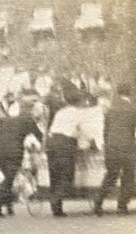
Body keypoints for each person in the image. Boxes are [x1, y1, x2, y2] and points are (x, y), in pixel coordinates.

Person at [0, 99, 43, 217]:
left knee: (8, 178)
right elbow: (39, 136)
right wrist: (40, 148)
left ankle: (9, 207)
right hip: (13, 153)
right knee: (9, 179)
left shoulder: (7, 120)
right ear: (31, 110)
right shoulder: (28, 120)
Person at [46, 87, 89, 217]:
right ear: (79, 101)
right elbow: (83, 132)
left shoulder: (60, 112)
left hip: (52, 142)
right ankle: (56, 200)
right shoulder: (79, 113)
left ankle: (56, 208)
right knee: (67, 175)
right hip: (65, 144)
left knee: (55, 175)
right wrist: (85, 145)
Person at [94, 84, 136, 215]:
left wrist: (107, 145)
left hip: (111, 146)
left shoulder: (111, 110)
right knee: (128, 176)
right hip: (128, 146)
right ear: (130, 93)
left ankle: (98, 202)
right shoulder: (133, 109)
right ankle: (122, 206)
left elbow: (105, 131)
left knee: (111, 175)